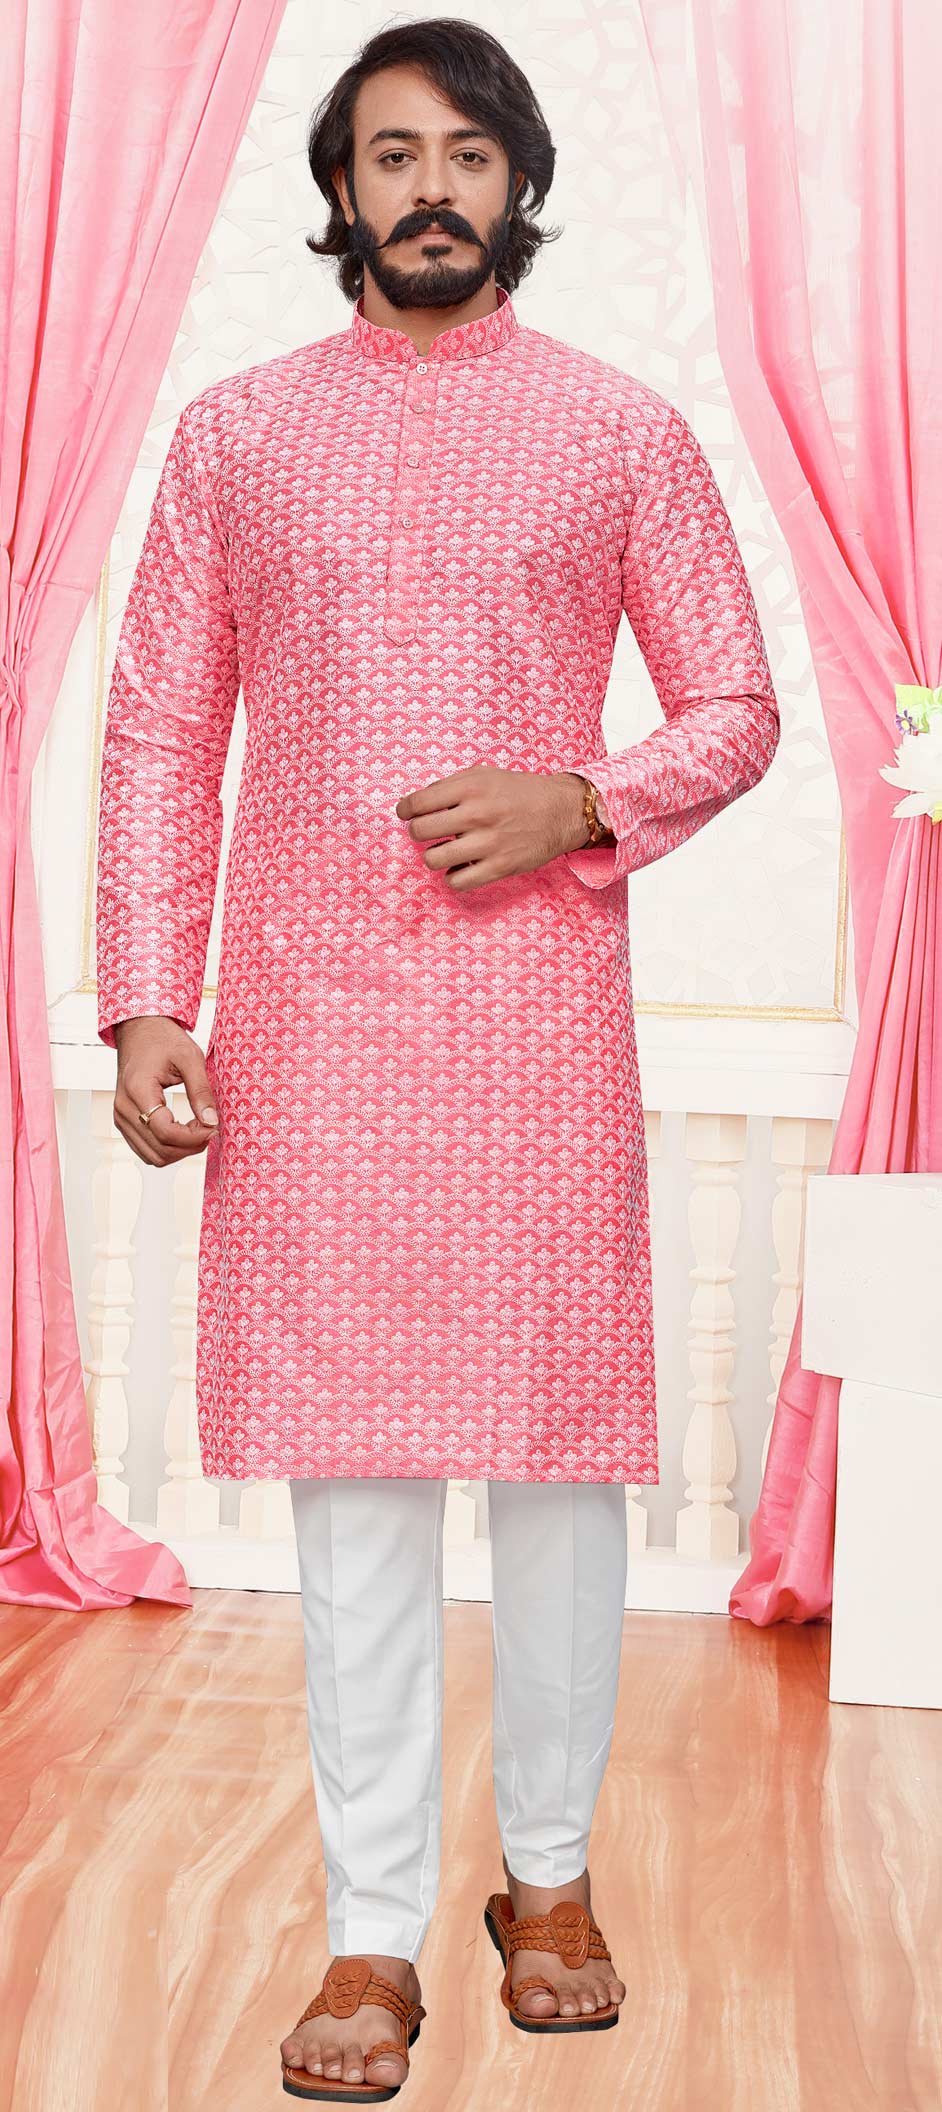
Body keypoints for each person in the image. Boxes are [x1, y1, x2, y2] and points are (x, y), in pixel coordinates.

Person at [95, 15, 780, 2101]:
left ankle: (548, 1881)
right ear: (339, 190)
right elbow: (158, 732)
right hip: (309, 1029)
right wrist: (146, 998)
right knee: (357, 1492)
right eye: (392, 153)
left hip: (531, 1028)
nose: (429, 187)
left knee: (561, 1477)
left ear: (518, 184)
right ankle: (373, 1928)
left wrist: (583, 800)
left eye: (466, 153)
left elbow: (736, 704)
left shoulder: (617, 431)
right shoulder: (234, 436)